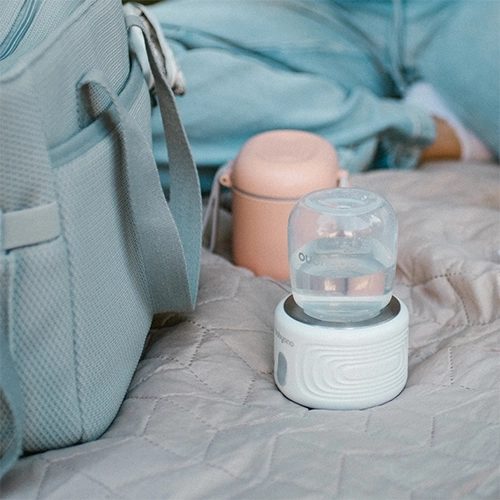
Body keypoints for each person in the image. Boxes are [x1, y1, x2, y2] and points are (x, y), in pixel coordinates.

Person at [147, 0, 499, 190]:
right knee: (133, 59)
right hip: (327, 13)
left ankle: (343, 132)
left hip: (469, 13)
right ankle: (415, 131)